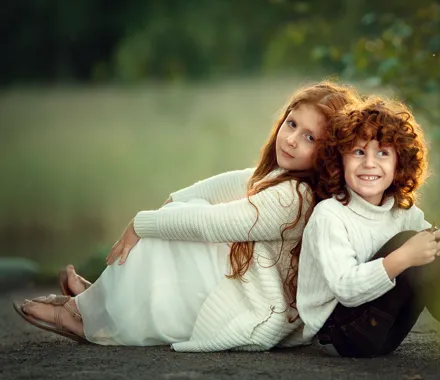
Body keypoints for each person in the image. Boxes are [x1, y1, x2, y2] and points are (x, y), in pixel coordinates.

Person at [13, 81, 361, 352]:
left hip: (255, 308)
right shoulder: (282, 180)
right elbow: (228, 184)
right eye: (291, 124)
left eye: (309, 137)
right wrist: (175, 200)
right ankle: (101, 301)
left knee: (180, 230)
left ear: (328, 152)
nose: (292, 139)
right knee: (181, 212)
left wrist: (142, 223)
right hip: (246, 285)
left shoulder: (296, 198)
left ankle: (87, 318)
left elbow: (212, 223)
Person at [296, 96, 440, 365]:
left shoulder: (400, 211)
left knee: (429, 241)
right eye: (358, 152)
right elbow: (346, 289)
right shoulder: (330, 214)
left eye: (383, 153)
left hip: (387, 332)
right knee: (411, 243)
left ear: (399, 164)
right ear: (339, 161)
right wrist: (403, 258)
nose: (370, 163)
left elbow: (439, 254)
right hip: (342, 335)